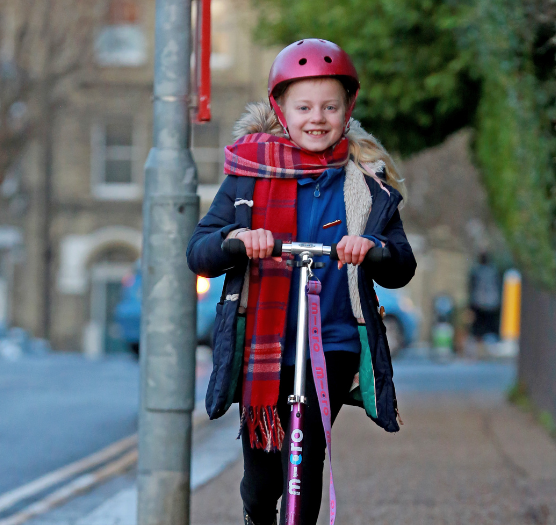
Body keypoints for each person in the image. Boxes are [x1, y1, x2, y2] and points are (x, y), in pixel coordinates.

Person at [186, 39, 416, 525]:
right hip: (263, 346)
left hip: (329, 343)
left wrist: (372, 250)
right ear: (280, 109)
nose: (317, 118)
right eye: (305, 106)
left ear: (347, 110)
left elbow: (402, 265)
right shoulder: (248, 175)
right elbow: (199, 252)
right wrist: (237, 240)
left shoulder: (365, 184)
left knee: (305, 454)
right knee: (261, 481)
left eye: (330, 107)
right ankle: (256, 514)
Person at [468, 251, 501, 340]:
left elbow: (471, 286)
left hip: (478, 302)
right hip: (492, 302)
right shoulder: (493, 271)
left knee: (479, 326)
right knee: (490, 325)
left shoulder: (476, 271)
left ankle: (479, 340)